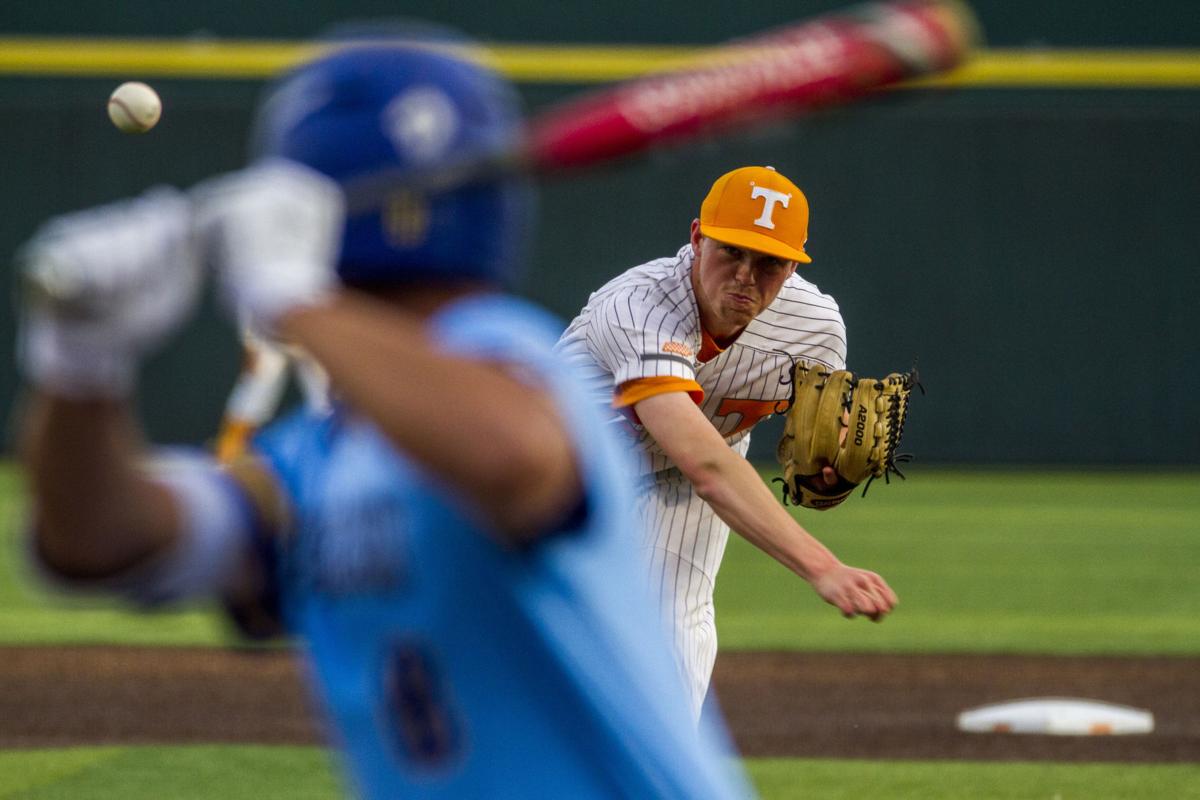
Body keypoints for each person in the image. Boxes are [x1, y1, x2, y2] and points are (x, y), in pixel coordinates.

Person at [17, 40, 752, 799]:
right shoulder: (320, 456)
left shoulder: (520, 364)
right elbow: (96, 542)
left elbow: (509, 458)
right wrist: (79, 363)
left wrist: (295, 299)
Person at [556, 165, 899, 717]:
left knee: (676, 647)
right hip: (561, 474)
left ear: (793, 266)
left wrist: (831, 461)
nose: (745, 274)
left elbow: (811, 444)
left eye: (768, 261)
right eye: (730, 251)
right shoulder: (637, 306)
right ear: (696, 239)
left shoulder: (816, 327)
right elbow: (706, 465)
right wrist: (822, 566)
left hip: (682, 490)